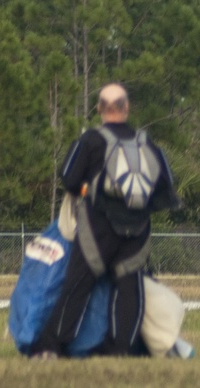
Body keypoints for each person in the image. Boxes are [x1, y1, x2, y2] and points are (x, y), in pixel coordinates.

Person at [31, 83, 181, 358]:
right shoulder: (146, 142)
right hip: (138, 227)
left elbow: (70, 178)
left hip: (96, 225)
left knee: (77, 285)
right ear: (126, 109)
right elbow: (166, 185)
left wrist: (88, 191)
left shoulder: (90, 140)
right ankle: (120, 349)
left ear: (100, 109)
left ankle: (51, 346)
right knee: (129, 289)